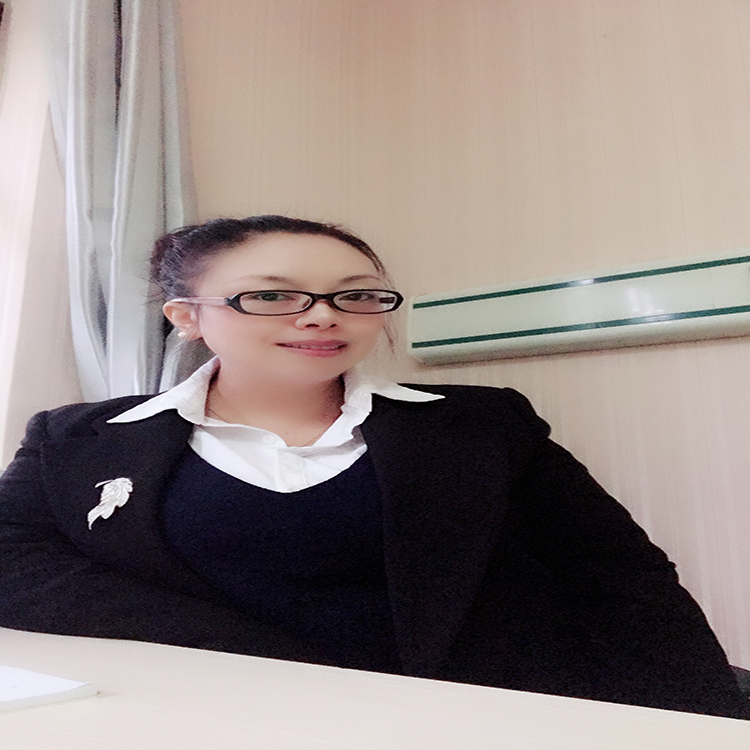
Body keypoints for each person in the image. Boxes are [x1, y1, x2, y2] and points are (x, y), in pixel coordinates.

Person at [0, 215, 747, 720]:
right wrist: (244, 647)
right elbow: (12, 562)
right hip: (206, 715)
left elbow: (621, 578)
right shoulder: (77, 439)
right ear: (187, 317)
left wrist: (702, 715)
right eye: (272, 295)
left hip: (481, 715)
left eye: (355, 296)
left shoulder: (482, 424)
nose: (323, 315)